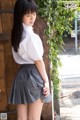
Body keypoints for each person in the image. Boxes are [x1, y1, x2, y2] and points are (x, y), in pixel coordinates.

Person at [9, 0, 52, 120]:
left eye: (33, 14)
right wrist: (46, 81)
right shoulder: (31, 37)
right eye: (28, 15)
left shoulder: (16, 34)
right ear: (20, 15)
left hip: (21, 76)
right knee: (34, 118)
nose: (32, 18)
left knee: (22, 118)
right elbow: (38, 61)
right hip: (33, 75)